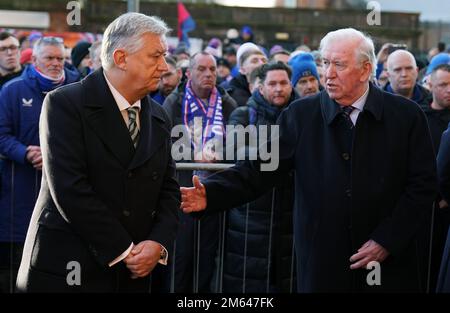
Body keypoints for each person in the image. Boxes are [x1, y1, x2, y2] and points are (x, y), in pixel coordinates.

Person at [181, 28, 437, 292]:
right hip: (323, 264)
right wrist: (212, 193)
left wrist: (387, 240)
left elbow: (423, 186)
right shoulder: (301, 115)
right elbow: (261, 169)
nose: (328, 73)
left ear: (365, 70)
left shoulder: (406, 117)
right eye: (325, 63)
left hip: (389, 268)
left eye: (338, 64)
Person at [16, 12, 179, 293]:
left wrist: (157, 244)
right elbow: (70, 189)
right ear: (121, 58)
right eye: (155, 56)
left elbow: (169, 189)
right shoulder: (65, 105)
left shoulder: (159, 116)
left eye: (164, 56)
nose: (164, 66)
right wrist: (125, 250)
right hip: (70, 268)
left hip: (134, 274)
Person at [0, 36, 79, 293]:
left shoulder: (77, 88)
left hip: (63, 196)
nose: (57, 63)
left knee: (54, 264)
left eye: (60, 58)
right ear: (34, 60)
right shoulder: (12, 90)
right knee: (16, 266)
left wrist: (56, 156)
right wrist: (25, 153)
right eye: (50, 58)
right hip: (19, 193)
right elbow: (2, 134)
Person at [163, 52, 236, 292]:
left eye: (212, 70)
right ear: (188, 73)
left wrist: (219, 154)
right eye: (202, 69)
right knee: (182, 256)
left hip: (213, 192)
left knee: (207, 256)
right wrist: (190, 155)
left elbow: (237, 144)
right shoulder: (174, 102)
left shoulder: (228, 104)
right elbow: (165, 145)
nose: (208, 74)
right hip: (182, 191)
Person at [223, 61, 299, 292]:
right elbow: (233, 152)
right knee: (248, 284)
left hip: (291, 216)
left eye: (284, 83)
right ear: (261, 88)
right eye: (272, 84)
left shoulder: (303, 114)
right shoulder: (244, 114)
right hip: (250, 218)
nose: (279, 89)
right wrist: (277, 153)